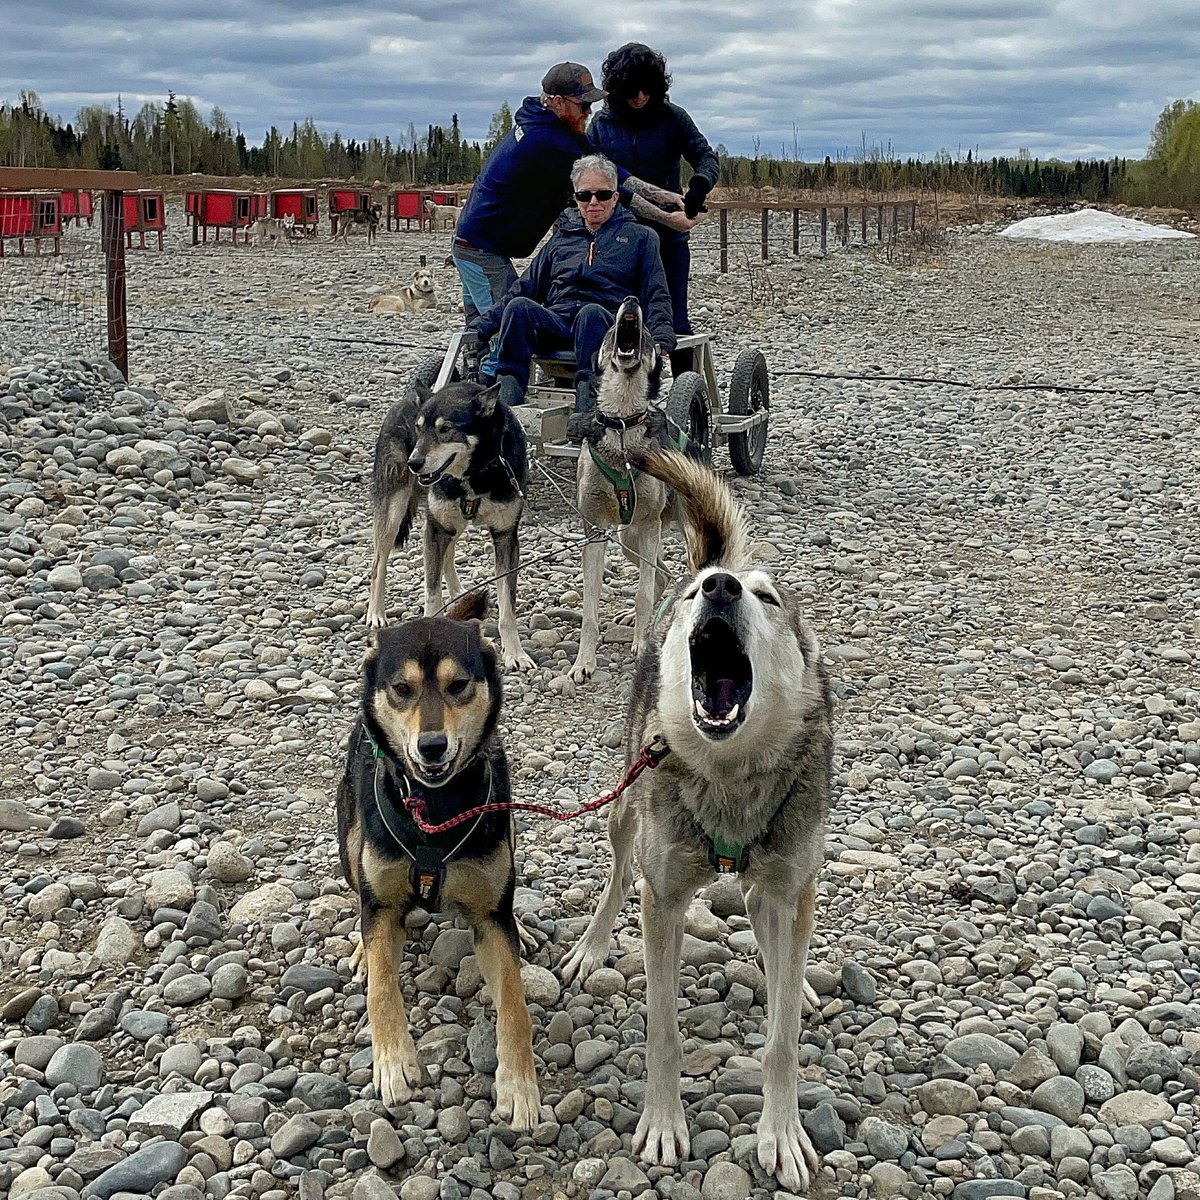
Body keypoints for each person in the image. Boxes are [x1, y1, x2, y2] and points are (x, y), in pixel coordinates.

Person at [453, 63, 695, 381]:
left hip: (478, 242)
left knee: (482, 334)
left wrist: (665, 196)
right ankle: (491, 401)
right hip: (482, 248)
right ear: (557, 101)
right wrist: (668, 220)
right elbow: (613, 191)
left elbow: (608, 170)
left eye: (592, 104)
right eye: (583, 104)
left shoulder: (553, 127)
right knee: (504, 328)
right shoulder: (546, 141)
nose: (589, 111)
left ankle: (470, 386)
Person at [473, 154, 675, 420]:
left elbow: (656, 292)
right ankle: (507, 408)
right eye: (584, 196)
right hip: (559, 321)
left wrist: (661, 340)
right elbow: (525, 286)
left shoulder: (641, 238)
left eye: (602, 195)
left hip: (605, 326)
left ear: (615, 198)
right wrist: (482, 326)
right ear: (576, 199)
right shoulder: (560, 239)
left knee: (590, 313)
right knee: (519, 307)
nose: (593, 202)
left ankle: (586, 411)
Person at [590, 43, 719, 349]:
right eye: (632, 91)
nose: (640, 98)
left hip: (668, 238)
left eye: (647, 89)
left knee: (676, 324)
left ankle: (688, 391)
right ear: (617, 90)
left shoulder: (673, 118)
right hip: (618, 237)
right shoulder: (601, 125)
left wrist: (700, 183)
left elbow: (706, 156)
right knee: (618, 322)